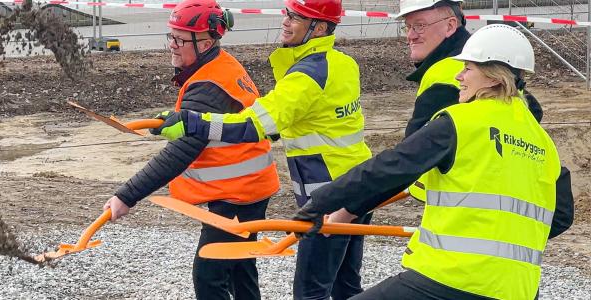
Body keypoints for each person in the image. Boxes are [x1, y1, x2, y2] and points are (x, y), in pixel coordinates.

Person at [294, 24, 574, 300]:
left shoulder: (461, 121)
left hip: (449, 279)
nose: (459, 76)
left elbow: (389, 167)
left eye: (468, 68)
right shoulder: (543, 143)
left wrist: (319, 203)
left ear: (492, 78)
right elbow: (560, 216)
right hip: (518, 289)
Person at [151, 0, 380, 298]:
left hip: (328, 196)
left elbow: (251, 125)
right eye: (287, 13)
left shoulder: (304, 78)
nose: (285, 21)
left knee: (311, 291)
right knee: (345, 285)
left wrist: (192, 122)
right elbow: (316, 118)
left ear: (319, 27)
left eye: (296, 17)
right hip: (359, 183)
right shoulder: (343, 64)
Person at [102, 0, 280, 299]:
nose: (172, 45)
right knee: (239, 268)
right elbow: (200, 123)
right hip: (249, 189)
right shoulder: (219, 66)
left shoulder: (209, 85)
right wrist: (174, 120)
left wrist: (126, 196)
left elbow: (182, 151)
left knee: (209, 276)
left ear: (207, 41)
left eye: (180, 39)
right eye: (171, 36)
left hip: (237, 195)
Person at [397, 0, 544, 201]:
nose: (410, 35)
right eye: (408, 26)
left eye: (419, 26)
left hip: (455, 200)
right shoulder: (483, 60)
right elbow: (532, 109)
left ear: (450, 26)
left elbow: (406, 159)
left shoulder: (442, 74)